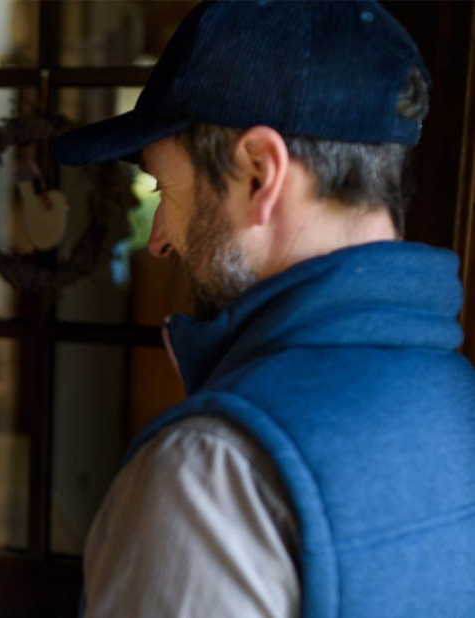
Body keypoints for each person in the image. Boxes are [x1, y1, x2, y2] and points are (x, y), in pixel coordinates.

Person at [52, 2, 475, 617]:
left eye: (166, 190)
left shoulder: (213, 471)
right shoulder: (459, 396)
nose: (160, 238)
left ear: (259, 173)